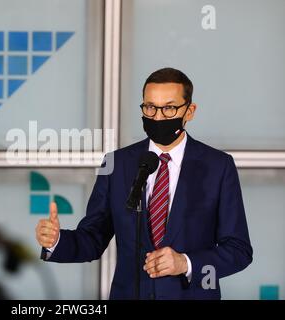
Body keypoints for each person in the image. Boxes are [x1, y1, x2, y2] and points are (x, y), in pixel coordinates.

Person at [35, 67, 253, 300]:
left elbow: (238, 250)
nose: (157, 117)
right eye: (150, 107)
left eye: (169, 108)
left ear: (189, 111)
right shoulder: (117, 163)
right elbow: (93, 237)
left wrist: (185, 263)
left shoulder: (218, 166)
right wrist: (57, 241)